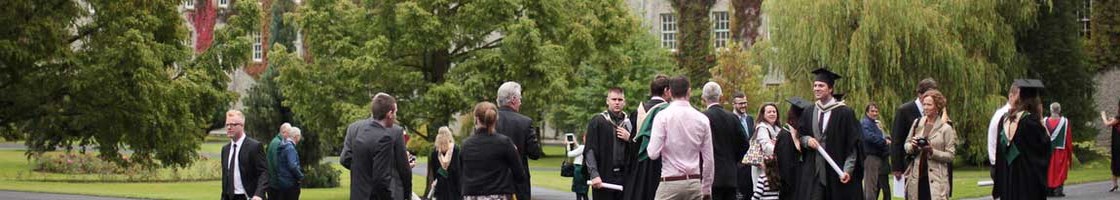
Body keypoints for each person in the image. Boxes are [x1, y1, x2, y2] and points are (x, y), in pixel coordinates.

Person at [794, 68, 864, 200]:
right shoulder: (809, 111)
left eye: (821, 85)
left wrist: (848, 170)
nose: (816, 89)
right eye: (815, 86)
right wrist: (807, 141)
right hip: (813, 172)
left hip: (836, 172)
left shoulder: (845, 113)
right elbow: (801, 136)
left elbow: (853, 146)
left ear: (830, 89)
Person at [647, 76, 715, 200]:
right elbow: (708, 159)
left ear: (669, 92)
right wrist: (706, 188)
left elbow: (653, 153)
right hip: (694, 182)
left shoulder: (662, 117)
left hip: (670, 182)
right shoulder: (702, 119)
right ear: (689, 91)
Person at [341, 93, 411, 200]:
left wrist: (364, 173)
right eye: (395, 112)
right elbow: (399, 170)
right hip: (384, 192)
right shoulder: (389, 135)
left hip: (360, 193)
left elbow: (346, 158)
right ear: (389, 113)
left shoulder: (356, 130)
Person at [992, 79, 1050, 200]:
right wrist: (1040, 120)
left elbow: (1000, 152)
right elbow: (1044, 148)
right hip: (1027, 184)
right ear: (1035, 102)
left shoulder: (1005, 120)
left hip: (1008, 183)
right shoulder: (1031, 123)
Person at [461, 102, 528, 200]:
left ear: (476, 119)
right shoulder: (505, 143)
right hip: (499, 194)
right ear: (495, 119)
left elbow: (461, 173)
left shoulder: (466, 145)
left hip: (472, 195)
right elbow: (520, 175)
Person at [623, 74, 671, 200]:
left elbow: (632, 146)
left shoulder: (638, 112)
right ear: (666, 90)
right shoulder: (668, 112)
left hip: (638, 168)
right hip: (661, 167)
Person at [903, 90, 956, 200]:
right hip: (916, 178)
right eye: (924, 104)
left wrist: (932, 151)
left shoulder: (946, 128)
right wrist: (912, 146)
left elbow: (950, 156)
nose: (925, 107)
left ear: (937, 106)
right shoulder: (917, 123)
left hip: (937, 179)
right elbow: (906, 145)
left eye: (929, 104)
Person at [700, 82, 749, 200]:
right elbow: (745, 143)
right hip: (730, 175)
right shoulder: (732, 118)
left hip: (709, 176)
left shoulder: (702, 118)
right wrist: (733, 158)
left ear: (703, 98)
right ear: (721, 97)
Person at [494, 81, 542, 200]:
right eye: (520, 98)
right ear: (514, 99)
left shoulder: (490, 121)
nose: (521, 102)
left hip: (493, 181)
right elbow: (535, 153)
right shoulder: (525, 122)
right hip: (518, 183)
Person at [586, 87, 634, 200]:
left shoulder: (630, 123)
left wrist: (630, 139)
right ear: (607, 101)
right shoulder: (598, 121)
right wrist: (594, 174)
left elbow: (638, 151)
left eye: (620, 99)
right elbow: (590, 150)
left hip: (625, 177)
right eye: (614, 99)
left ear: (624, 102)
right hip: (604, 176)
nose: (617, 102)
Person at [891, 78, 937, 190]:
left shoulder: (936, 111)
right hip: (910, 161)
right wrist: (897, 167)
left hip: (931, 163)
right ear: (920, 94)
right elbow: (897, 139)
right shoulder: (904, 110)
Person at [221, 110, 269, 200]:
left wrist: (258, 194)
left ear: (242, 125)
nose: (229, 128)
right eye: (227, 124)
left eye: (233, 125)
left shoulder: (254, 147)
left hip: (249, 196)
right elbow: (225, 177)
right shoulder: (225, 150)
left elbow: (264, 173)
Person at [776, 97, 810, 200]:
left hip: (799, 185)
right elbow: (784, 166)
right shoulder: (786, 135)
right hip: (789, 189)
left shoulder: (797, 133)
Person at [749, 103, 781, 199]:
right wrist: (779, 148)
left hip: (773, 171)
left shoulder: (777, 129)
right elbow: (766, 147)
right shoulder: (762, 127)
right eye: (769, 112)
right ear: (763, 114)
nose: (772, 114)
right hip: (764, 169)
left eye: (774, 112)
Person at [860, 103, 890, 200]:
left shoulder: (876, 124)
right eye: (872, 111)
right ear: (867, 112)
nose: (875, 113)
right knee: (870, 185)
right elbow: (868, 137)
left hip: (878, 157)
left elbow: (882, 135)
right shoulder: (865, 123)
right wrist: (884, 141)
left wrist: (885, 138)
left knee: (875, 185)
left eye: (876, 111)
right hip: (871, 157)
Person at [731, 91, 757, 199]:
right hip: (737, 164)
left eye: (745, 103)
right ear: (733, 104)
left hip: (750, 163)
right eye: (740, 103)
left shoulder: (750, 119)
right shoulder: (730, 119)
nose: (743, 105)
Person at [424, 127, 461, 200]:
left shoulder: (435, 152)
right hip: (454, 185)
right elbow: (458, 170)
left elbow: (435, 172)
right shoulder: (455, 149)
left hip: (441, 186)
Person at [1044, 102, 1072, 197]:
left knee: (1048, 170)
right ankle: (1058, 190)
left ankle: (1048, 190)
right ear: (1059, 110)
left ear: (1051, 110)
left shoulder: (1044, 121)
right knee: (1060, 171)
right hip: (1060, 151)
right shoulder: (1065, 122)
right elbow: (1068, 138)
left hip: (1047, 151)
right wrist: (1069, 154)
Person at [274, 127, 304, 200]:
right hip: (290, 183)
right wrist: (300, 176)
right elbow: (293, 165)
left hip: (282, 182)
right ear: (296, 136)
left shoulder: (282, 146)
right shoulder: (290, 148)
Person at [268, 123, 293, 199]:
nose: (289, 136)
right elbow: (277, 164)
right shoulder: (278, 144)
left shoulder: (275, 141)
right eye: (289, 133)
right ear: (283, 132)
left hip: (274, 182)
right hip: (276, 184)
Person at [1103, 100, 1120, 192]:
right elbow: (1114, 121)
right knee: (1115, 161)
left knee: (1116, 161)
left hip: (1118, 143)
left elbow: (1107, 124)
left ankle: (1115, 184)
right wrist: (1111, 118)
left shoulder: (1118, 116)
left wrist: (1103, 116)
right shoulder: (1117, 117)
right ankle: (1115, 184)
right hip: (1116, 142)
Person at [568, 133, 590, 200]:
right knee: (584, 192)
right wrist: (575, 142)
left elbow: (570, 154)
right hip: (586, 170)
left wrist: (568, 145)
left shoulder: (582, 147)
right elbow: (580, 150)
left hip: (579, 170)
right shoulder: (590, 147)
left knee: (578, 192)